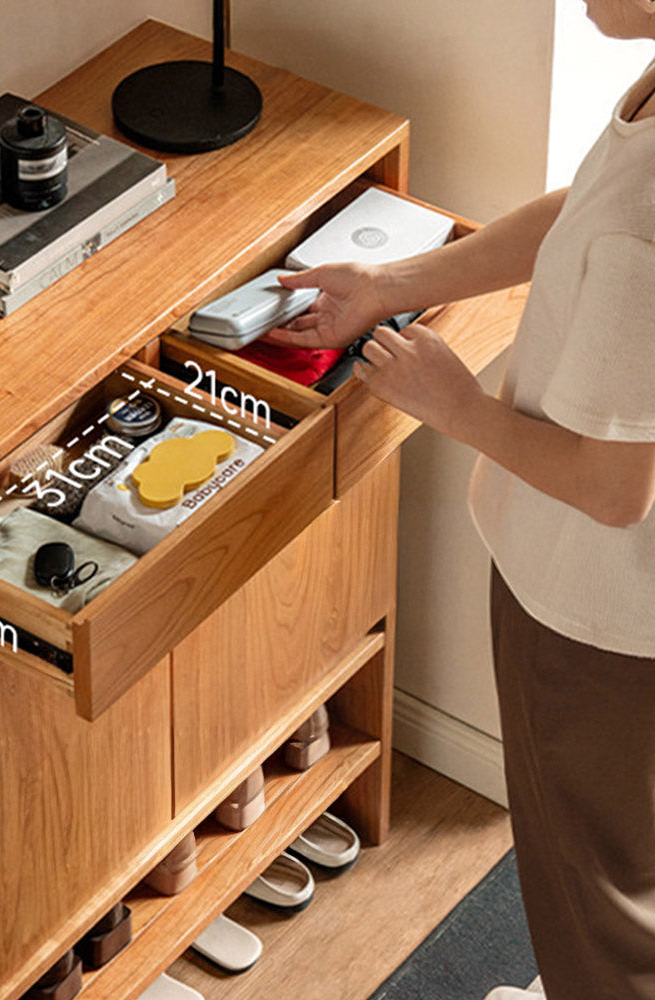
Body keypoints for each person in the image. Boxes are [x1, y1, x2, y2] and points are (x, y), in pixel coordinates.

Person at [267, 2, 655, 997]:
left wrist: (453, 404)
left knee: (598, 906)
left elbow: (611, 491)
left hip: (598, 620)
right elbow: (585, 209)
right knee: (624, 869)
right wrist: (392, 281)